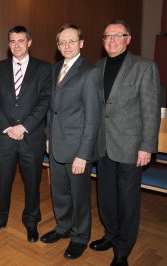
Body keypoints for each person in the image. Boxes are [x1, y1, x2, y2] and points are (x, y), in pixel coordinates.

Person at [89, 20, 160, 266]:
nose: (111, 40)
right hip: (103, 145)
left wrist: (147, 147)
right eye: (107, 36)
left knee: (128, 200)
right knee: (106, 196)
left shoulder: (144, 67)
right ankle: (110, 234)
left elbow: (150, 111)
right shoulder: (97, 68)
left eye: (117, 36)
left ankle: (123, 248)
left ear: (128, 39)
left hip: (131, 146)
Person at [40, 23, 102, 259]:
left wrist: (83, 154)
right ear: (57, 46)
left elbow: (93, 118)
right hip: (56, 146)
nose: (67, 45)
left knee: (79, 197)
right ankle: (63, 227)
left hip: (77, 150)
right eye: (62, 42)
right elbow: (51, 109)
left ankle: (80, 237)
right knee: (60, 193)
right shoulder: (55, 69)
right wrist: (48, 138)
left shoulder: (90, 72)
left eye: (71, 41)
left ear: (81, 43)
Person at [0, 25, 51, 242]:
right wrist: (8, 128)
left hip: (31, 137)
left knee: (32, 183)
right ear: (8, 44)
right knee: (3, 182)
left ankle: (31, 221)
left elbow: (44, 102)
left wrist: (24, 127)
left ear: (29, 42)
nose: (16, 45)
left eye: (20, 41)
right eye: (12, 41)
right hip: (3, 137)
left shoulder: (44, 68)